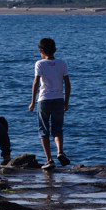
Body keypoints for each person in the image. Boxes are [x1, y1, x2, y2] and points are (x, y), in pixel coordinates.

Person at [28, 37, 71, 171]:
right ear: (55, 50)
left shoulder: (39, 64)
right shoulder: (62, 63)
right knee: (57, 129)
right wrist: (66, 101)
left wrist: (32, 102)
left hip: (44, 100)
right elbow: (68, 84)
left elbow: (36, 83)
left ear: (41, 51)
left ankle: (49, 160)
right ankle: (60, 151)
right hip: (58, 99)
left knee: (43, 131)